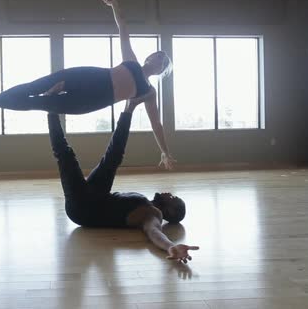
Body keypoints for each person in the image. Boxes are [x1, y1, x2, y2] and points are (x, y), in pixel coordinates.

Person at [0, 0, 175, 169]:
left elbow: (156, 123)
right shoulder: (132, 61)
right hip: (85, 76)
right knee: (33, 87)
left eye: (163, 63)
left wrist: (165, 152)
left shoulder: (148, 92)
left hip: (91, 101)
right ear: (150, 57)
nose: (159, 60)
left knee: (37, 103)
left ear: (161, 71)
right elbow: (123, 28)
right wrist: (114, 5)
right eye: (159, 56)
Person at [47, 95, 198, 262]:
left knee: (78, 156)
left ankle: (52, 110)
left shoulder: (153, 216)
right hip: (91, 200)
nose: (169, 193)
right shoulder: (149, 206)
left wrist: (170, 246)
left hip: (84, 207)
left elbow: (154, 232)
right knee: (96, 155)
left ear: (170, 210)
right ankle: (128, 107)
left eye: (173, 198)